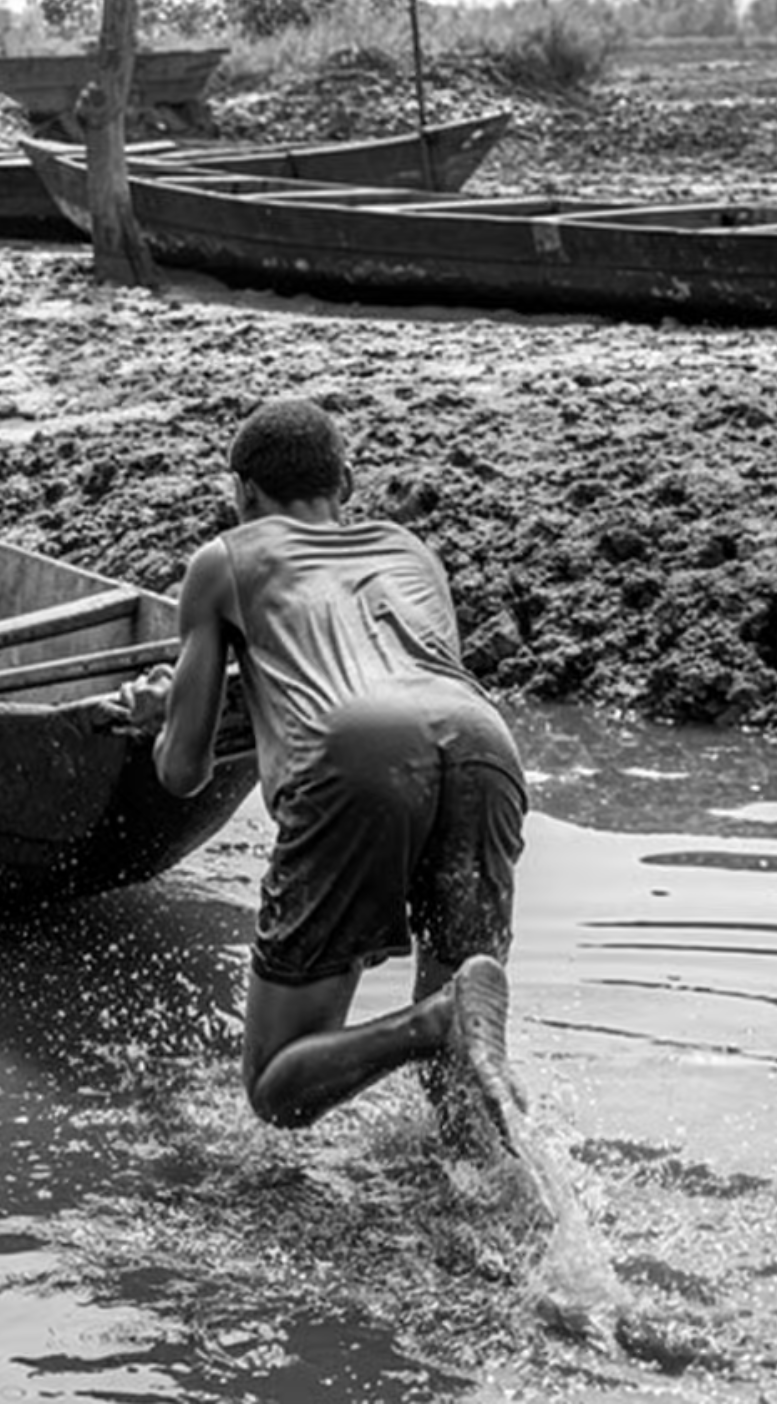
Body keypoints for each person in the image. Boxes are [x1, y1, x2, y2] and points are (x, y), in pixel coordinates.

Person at [104, 399, 529, 1140]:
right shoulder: (412, 552)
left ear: (243, 495)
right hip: (482, 742)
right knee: (463, 1068)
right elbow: (382, 667)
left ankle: (425, 1023)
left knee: (277, 1087)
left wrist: (163, 712)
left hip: (355, 756)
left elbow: (183, 772)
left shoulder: (223, 560)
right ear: (349, 481)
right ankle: (493, 1192)